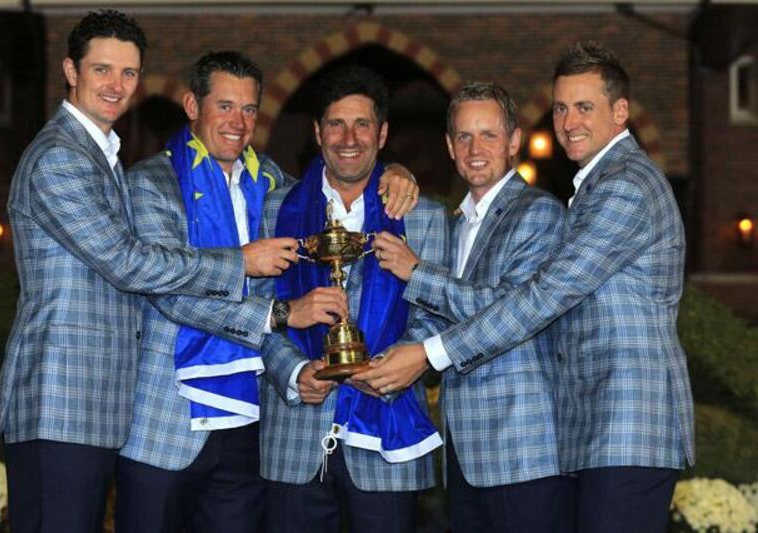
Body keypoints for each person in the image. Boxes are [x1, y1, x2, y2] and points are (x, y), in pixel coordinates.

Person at [358, 41, 695, 533]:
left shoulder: (624, 184)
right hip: (596, 426)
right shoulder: (596, 185)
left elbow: (543, 297)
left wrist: (430, 353)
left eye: (585, 107)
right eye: (561, 108)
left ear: (620, 112)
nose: (569, 121)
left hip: (629, 421)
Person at [0, 12, 300, 533]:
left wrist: (394, 177)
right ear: (72, 71)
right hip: (60, 396)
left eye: (129, 73)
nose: (117, 86)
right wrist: (240, 261)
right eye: (103, 70)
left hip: (93, 402)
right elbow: (126, 262)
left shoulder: (100, 155)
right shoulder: (59, 158)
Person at [115, 52, 419, 533]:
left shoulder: (271, 184)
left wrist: (393, 171)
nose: (239, 123)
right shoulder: (151, 183)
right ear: (193, 105)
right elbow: (166, 292)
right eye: (226, 106)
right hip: (167, 424)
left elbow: (341, 182)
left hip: (246, 426)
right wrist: (278, 312)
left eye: (250, 110)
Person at [356, 81, 573, 532]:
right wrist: (381, 365)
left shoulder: (538, 214)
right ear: (450, 146)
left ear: (513, 142)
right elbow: (440, 314)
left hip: (524, 453)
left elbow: (510, 311)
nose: (476, 149)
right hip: (465, 454)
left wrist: (417, 272)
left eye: (489, 135)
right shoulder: (455, 223)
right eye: (464, 137)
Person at [254, 65, 449, 533]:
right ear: (318, 132)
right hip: (295, 434)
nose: (349, 137)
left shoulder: (423, 216)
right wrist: (294, 370)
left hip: (386, 432)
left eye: (362, 124)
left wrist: (391, 367)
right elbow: (253, 310)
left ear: (382, 134)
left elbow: (437, 313)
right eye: (336, 123)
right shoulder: (275, 209)